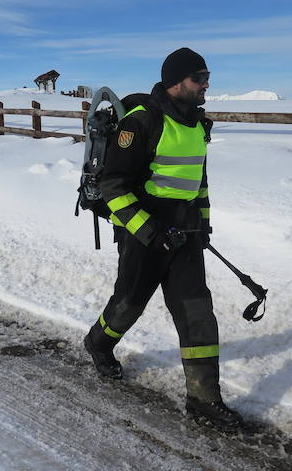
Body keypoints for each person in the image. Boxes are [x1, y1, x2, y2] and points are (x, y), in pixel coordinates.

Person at [82, 48, 243, 430]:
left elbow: (197, 182)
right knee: (129, 304)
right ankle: (99, 343)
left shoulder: (197, 124)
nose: (207, 84)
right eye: (199, 77)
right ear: (176, 81)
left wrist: (202, 226)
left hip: (184, 232)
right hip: (145, 232)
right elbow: (113, 186)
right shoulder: (142, 122)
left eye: (207, 77)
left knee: (197, 312)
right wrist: (151, 232)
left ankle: (204, 400)